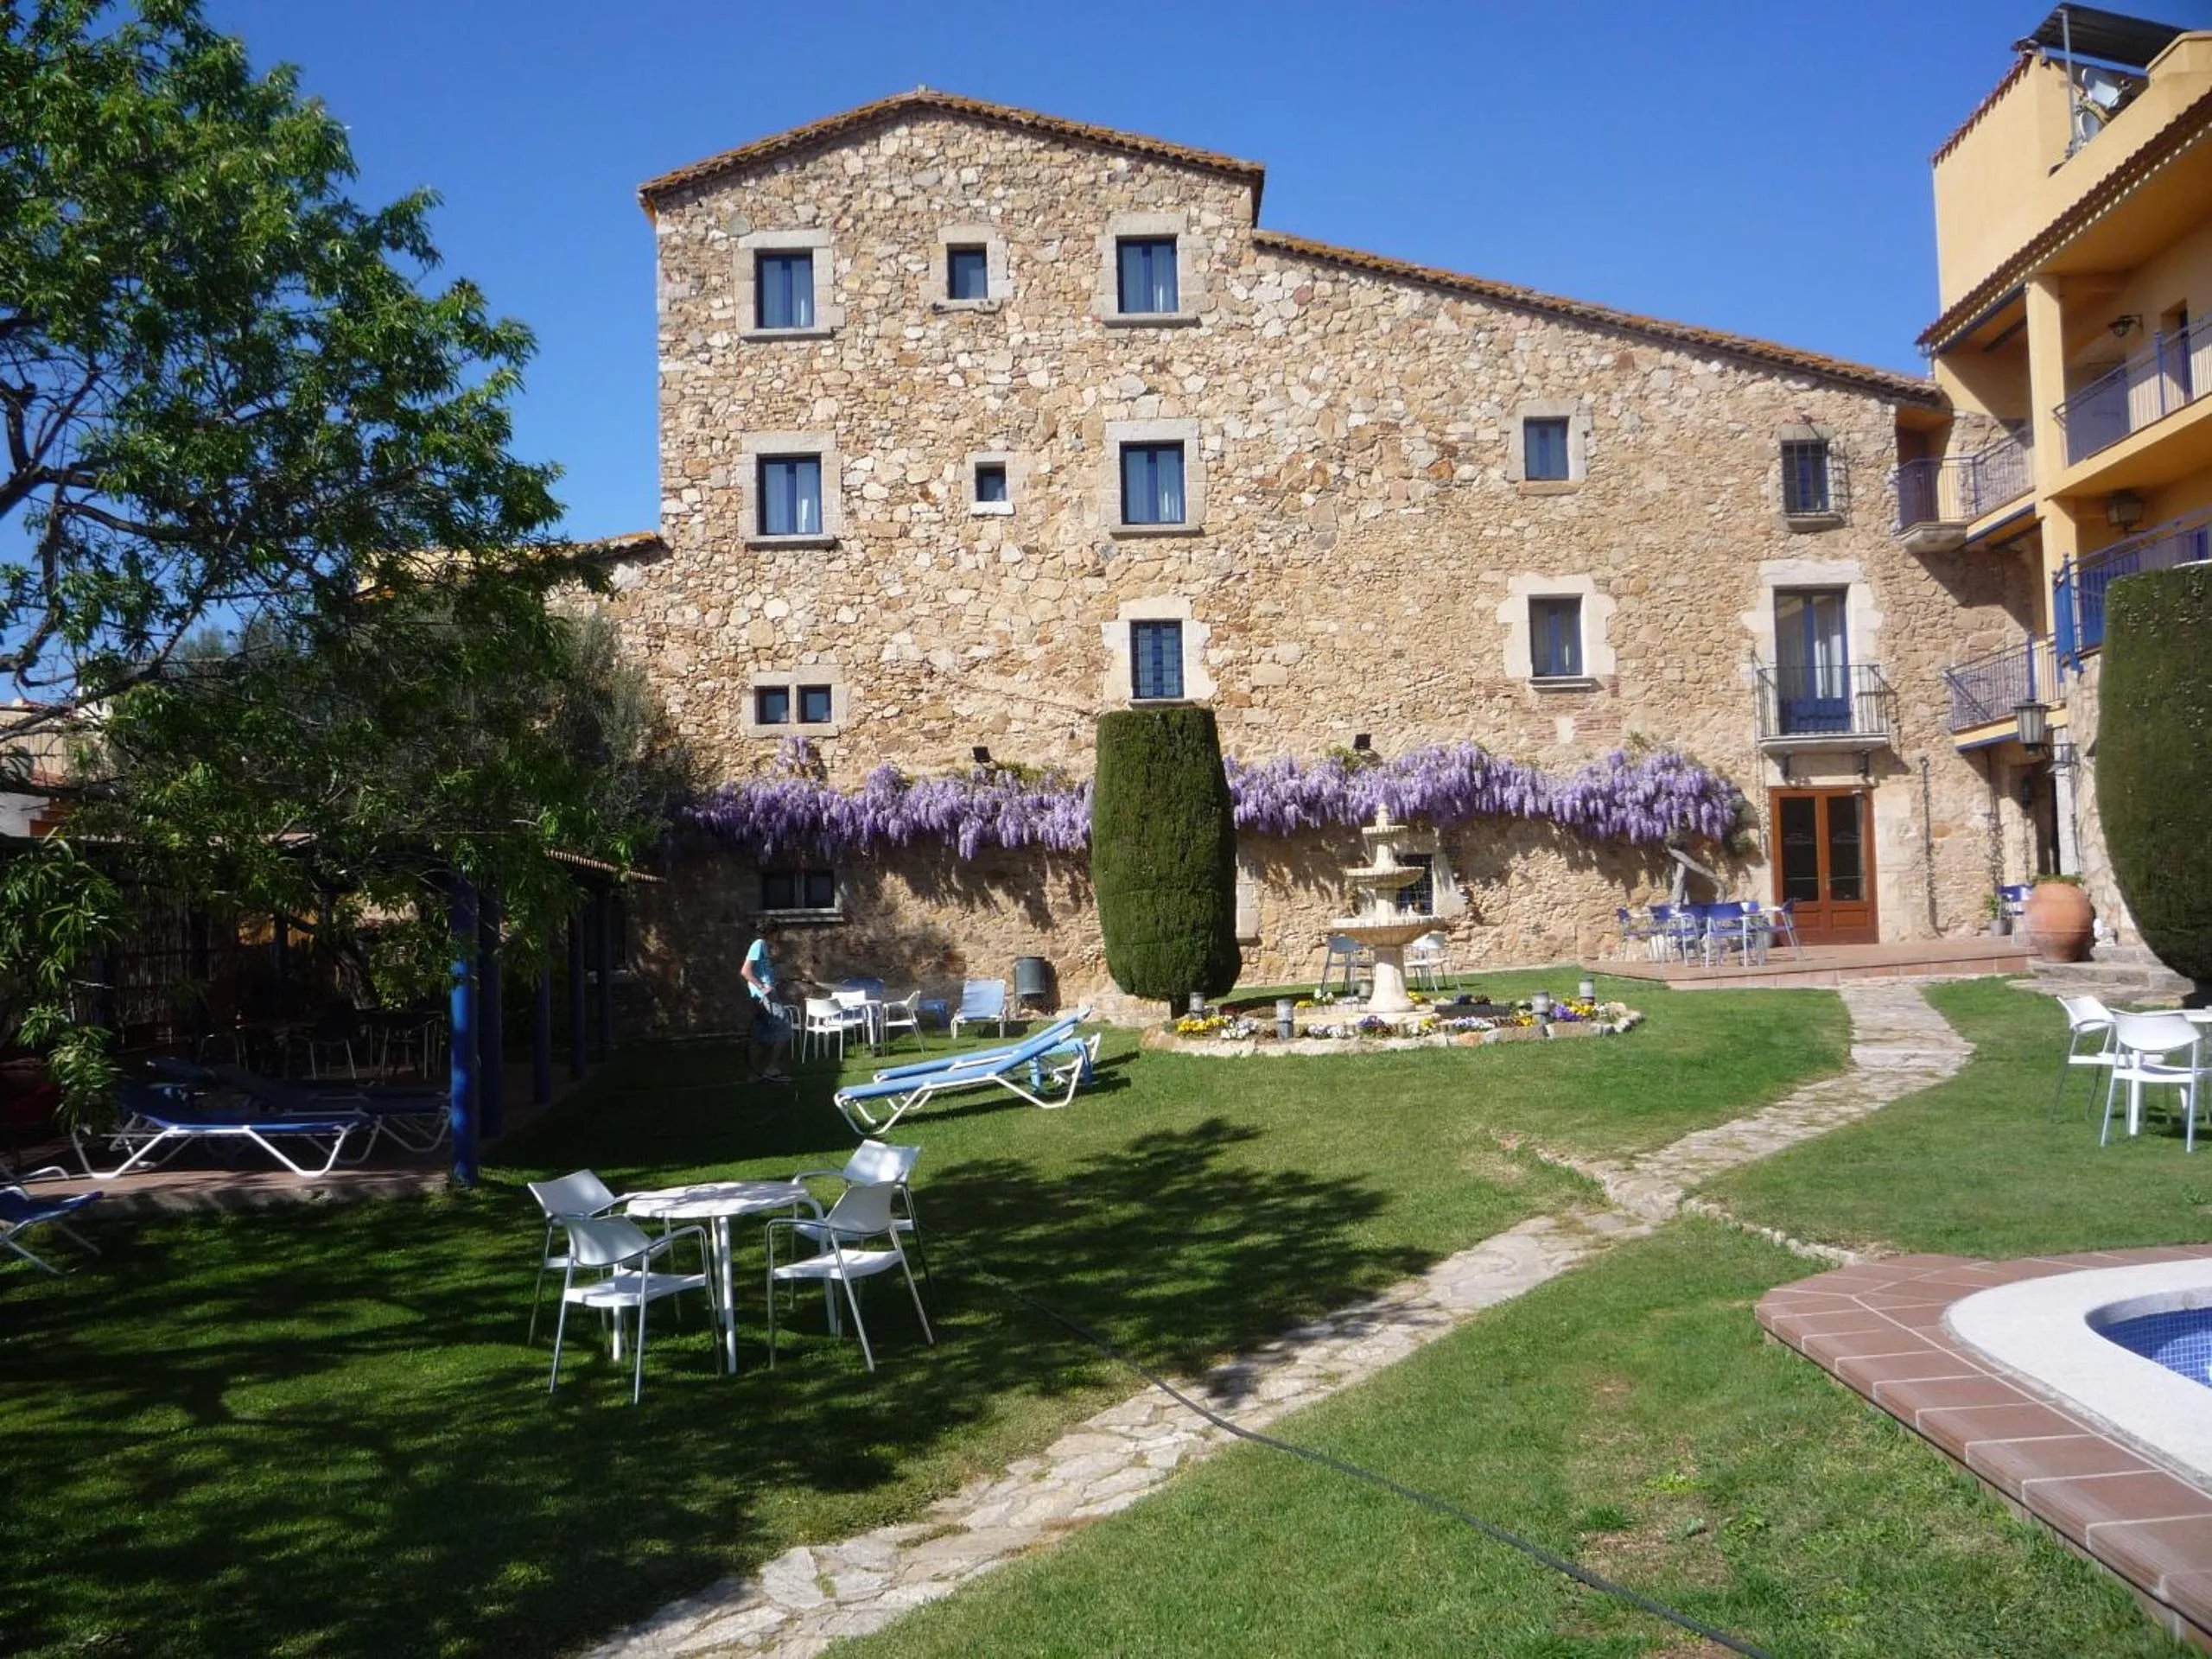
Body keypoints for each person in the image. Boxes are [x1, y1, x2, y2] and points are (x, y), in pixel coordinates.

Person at [741, 918, 794, 1084]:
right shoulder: (759, 945)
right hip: (766, 997)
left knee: (760, 1034)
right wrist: (762, 986)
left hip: (765, 995)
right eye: (778, 932)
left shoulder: (762, 946)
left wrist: (771, 982)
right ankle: (771, 1069)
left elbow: (760, 971)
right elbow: (745, 971)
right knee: (785, 1030)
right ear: (773, 932)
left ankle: (755, 1072)